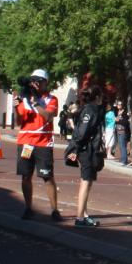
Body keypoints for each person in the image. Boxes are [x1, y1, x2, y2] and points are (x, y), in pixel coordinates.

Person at [15, 69, 60, 221]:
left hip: (43, 144)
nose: (35, 83)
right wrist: (17, 106)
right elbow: (19, 121)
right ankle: (28, 208)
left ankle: (55, 210)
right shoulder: (24, 99)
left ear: (45, 83)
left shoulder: (51, 99)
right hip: (26, 143)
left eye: (39, 81)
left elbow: (48, 117)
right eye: (33, 80)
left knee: (47, 176)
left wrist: (36, 103)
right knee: (26, 175)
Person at [64, 84, 106, 227]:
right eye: (101, 96)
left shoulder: (91, 109)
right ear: (97, 97)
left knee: (88, 183)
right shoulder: (90, 111)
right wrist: (74, 149)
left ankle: (85, 214)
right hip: (87, 150)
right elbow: (82, 132)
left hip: (89, 149)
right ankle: (79, 217)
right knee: (85, 182)